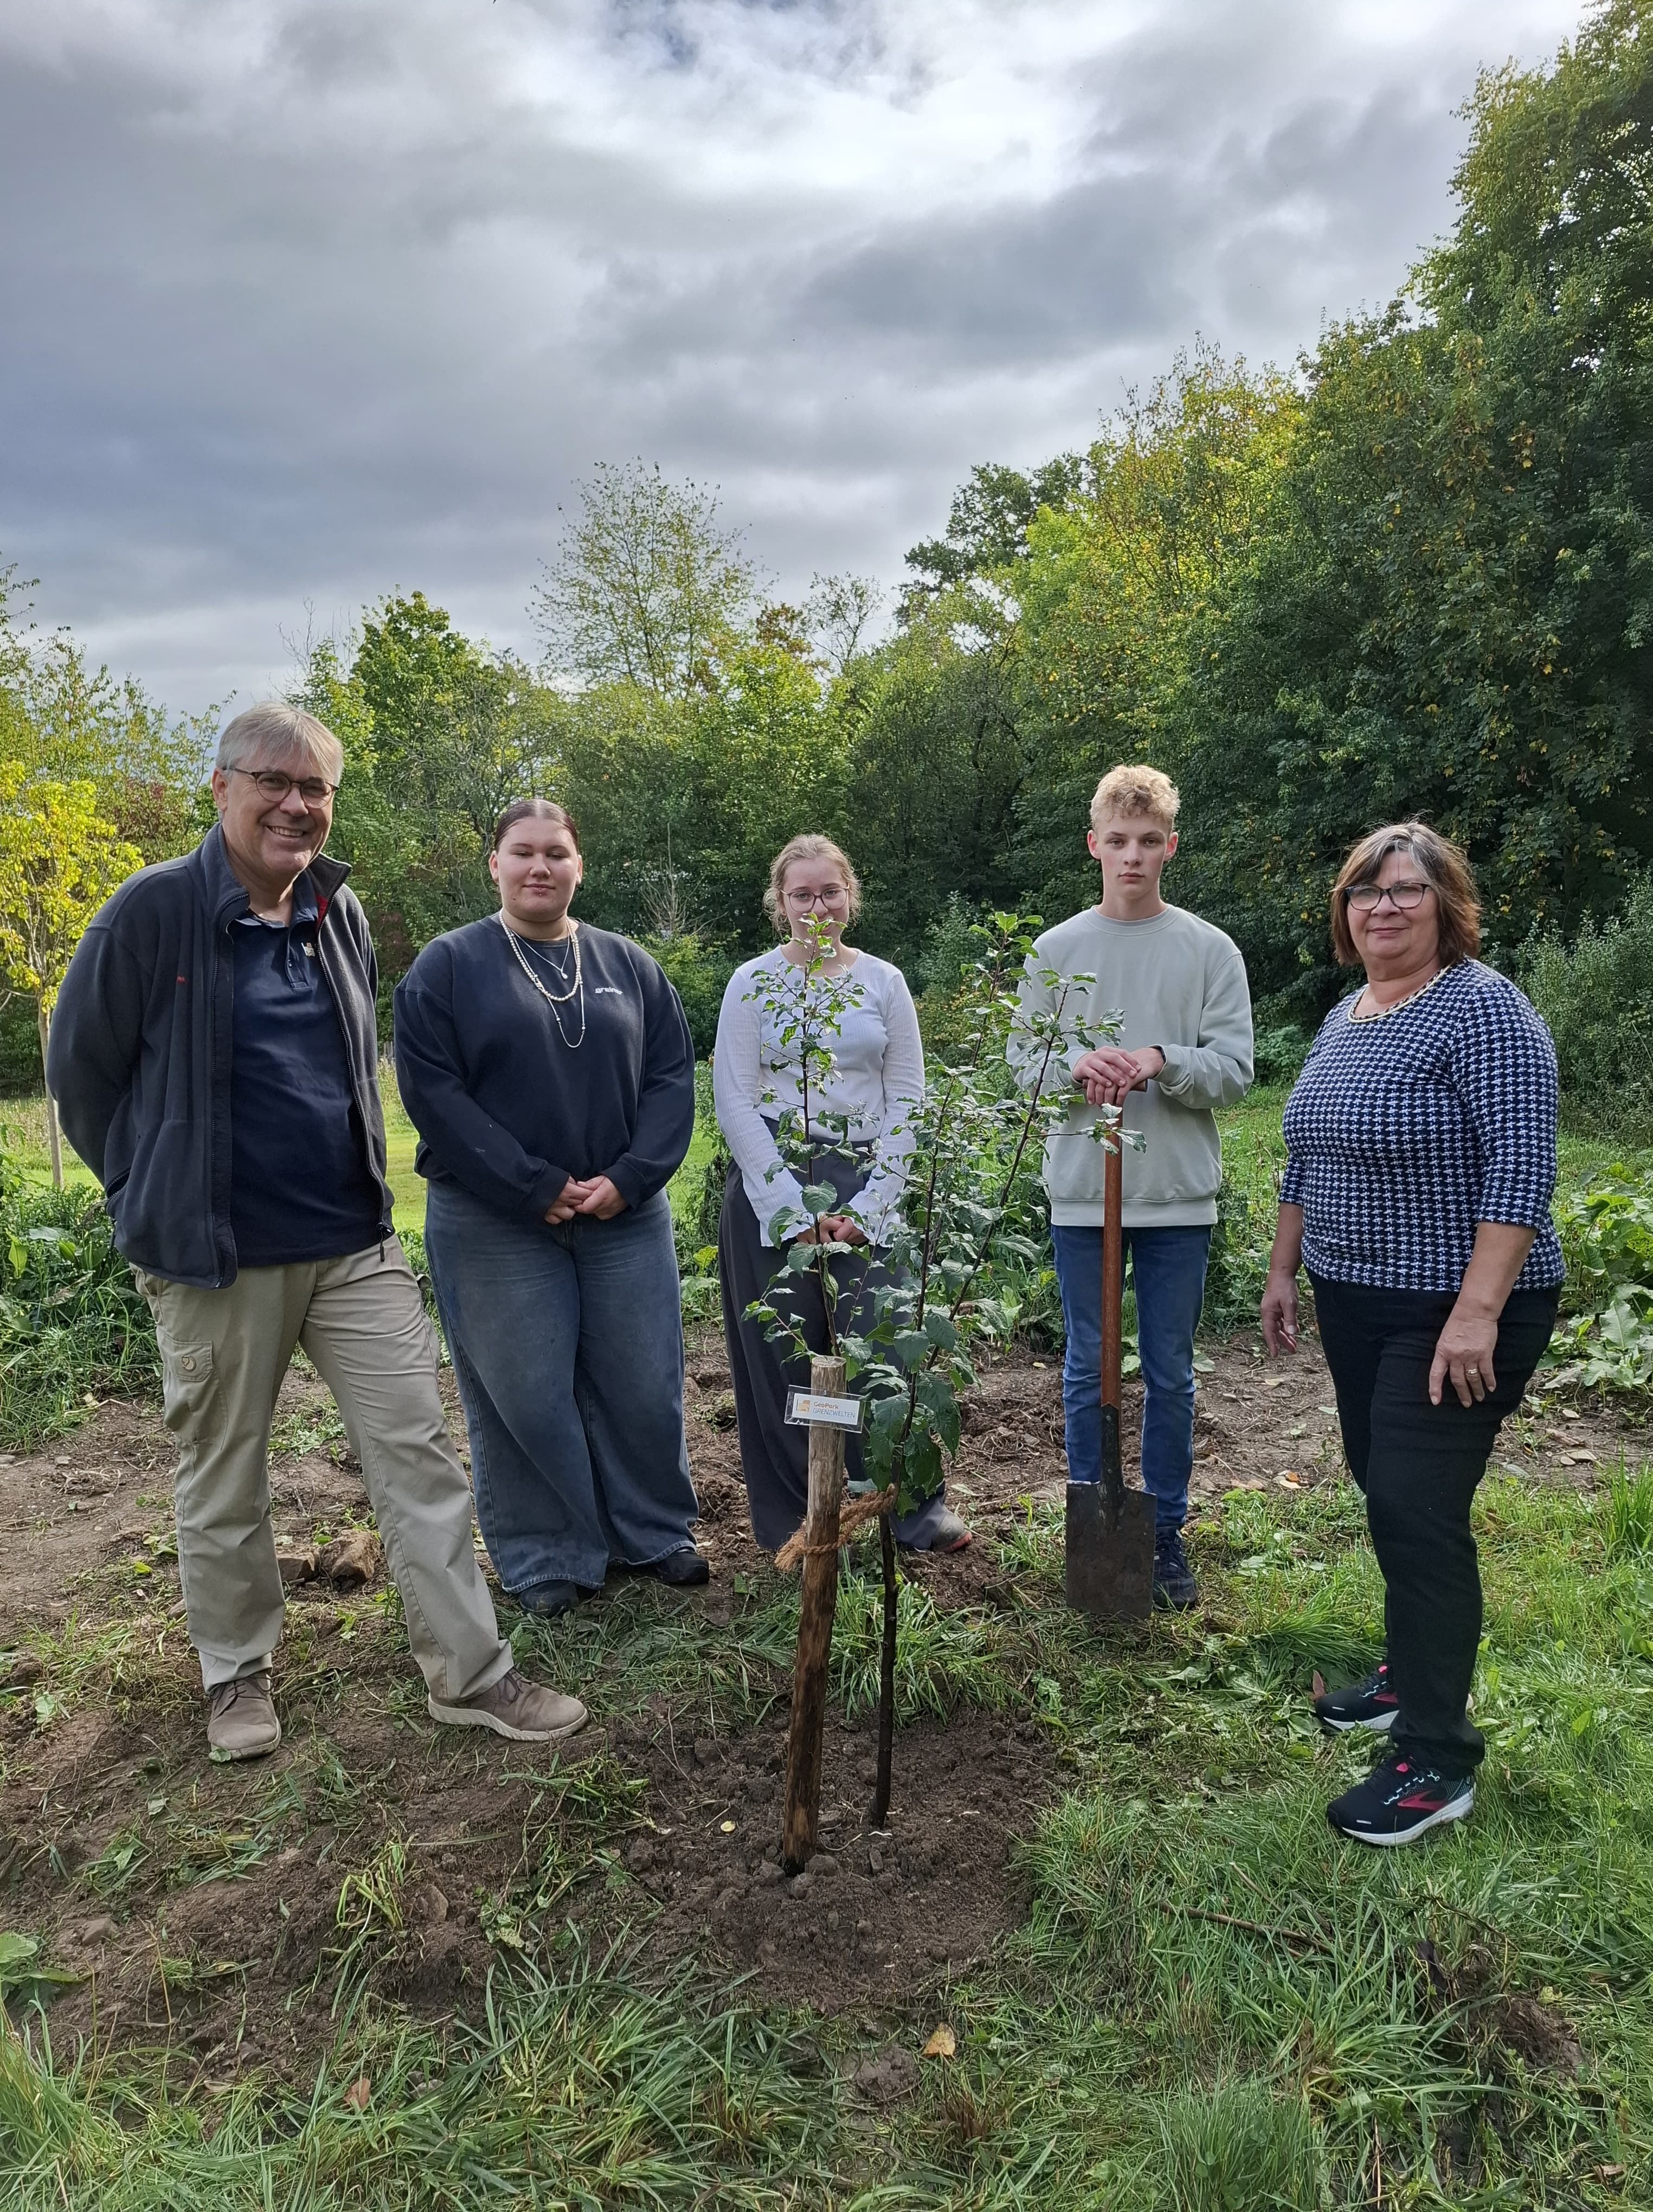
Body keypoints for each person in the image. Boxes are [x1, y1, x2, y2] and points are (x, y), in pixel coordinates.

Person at [47, 704, 587, 1762]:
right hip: (215, 1256)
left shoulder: (338, 910)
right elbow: (81, 1075)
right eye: (274, 782)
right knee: (225, 1474)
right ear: (222, 787)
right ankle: (236, 1676)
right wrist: (144, 1189)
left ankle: (472, 1674)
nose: (296, 805)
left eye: (316, 788)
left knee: (418, 1456)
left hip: (351, 1243)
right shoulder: (152, 912)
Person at [1261, 821, 1562, 1845]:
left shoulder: (1484, 1009)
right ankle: (1409, 1672)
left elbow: (1523, 1165)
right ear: (1344, 913)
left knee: (1414, 1507)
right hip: (1357, 1300)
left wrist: (1477, 1312)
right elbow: (1305, 1153)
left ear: (1447, 905)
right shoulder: (1347, 1014)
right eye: (1364, 892)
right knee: (1381, 1481)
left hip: (1457, 1310)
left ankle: (1437, 1758)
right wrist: (1282, 1269)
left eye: (1405, 890)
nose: (1381, 907)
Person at [394, 799, 703, 1618]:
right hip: (495, 1218)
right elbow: (435, 1095)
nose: (541, 867)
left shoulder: (630, 965)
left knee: (643, 1382)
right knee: (523, 1395)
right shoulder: (447, 967)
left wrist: (632, 1177)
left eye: (557, 853)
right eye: (523, 852)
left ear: (579, 866)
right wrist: (532, 1184)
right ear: (494, 864)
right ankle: (546, 1553)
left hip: (622, 1213)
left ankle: (653, 1530)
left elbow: (671, 1078)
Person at [1012, 765, 1253, 1609]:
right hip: (1086, 1193)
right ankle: (1096, 1521)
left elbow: (1235, 1072)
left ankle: (1164, 1535)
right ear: (1094, 845)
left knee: (1171, 1372)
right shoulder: (1056, 952)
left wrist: (1160, 1060)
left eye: (1149, 842)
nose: (1133, 856)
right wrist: (1076, 1066)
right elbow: (1024, 1067)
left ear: (1171, 848)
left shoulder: (1209, 950)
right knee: (1088, 1366)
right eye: (1117, 841)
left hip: (1176, 1197)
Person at [713, 833, 967, 1553]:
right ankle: (802, 1519)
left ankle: (908, 1508)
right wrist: (787, 1207)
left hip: (867, 1176)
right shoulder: (751, 982)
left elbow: (908, 1097)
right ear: (780, 902)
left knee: (881, 1350)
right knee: (785, 1358)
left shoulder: (884, 982)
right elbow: (734, 1098)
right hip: (773, 1180)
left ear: (850, 896)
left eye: (830, 891)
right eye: (802, 894)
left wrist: (873, 1205)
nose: (817, 907)